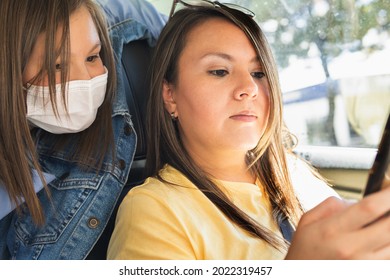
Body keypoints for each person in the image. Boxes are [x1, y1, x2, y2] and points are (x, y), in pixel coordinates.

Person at [107, 1, 390, 260]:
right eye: (219, 71)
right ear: (170, 96)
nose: (249, 89)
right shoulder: (153, 211)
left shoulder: (292, 172)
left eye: (259, 73)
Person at [0, 0, 165, 259]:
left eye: (92, 57)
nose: (86, 80)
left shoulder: (96, 15)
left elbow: (172, 29)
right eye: (57, 66)